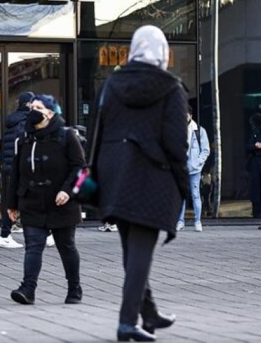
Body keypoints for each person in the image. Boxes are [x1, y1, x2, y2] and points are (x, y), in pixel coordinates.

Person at [95, 26, 185, 341]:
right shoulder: (171, 88)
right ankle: (125, 322)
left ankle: (148, 313)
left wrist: (97, 172)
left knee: (131, 251)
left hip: (115, 175)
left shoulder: (112, 84)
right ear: (162, 52)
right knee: (140, 252)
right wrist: (184, 185)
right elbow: (176, 145)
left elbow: (100, 131)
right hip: (153, 178)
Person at [6, 95, 86, 305]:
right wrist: (11, 202)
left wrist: (68, 191)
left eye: (38, 108)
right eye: (31, 107)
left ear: (50, 113)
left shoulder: (67, 136)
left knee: (66, 246)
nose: (33, 111)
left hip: (61, 203)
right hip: (32, 201)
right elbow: (16, 172)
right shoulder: (24, 138)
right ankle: (27, 289)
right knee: (33, 245)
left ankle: (74, 288)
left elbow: (81, 169)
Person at [0, 92, 35, 248]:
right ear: (28, 104)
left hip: (10, 166)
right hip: (21, 166)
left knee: (14, 200)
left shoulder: (13, 121)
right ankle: (5, 234)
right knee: (26, 199)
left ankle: (6, 234)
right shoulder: (25, 122)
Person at [177, 106, 210, 232]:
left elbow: (205, 150)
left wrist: (198, 163)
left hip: (195, 169)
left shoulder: (199, 131)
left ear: (191, 115)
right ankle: (180, 221)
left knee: (196, 195)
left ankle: (198, 221)